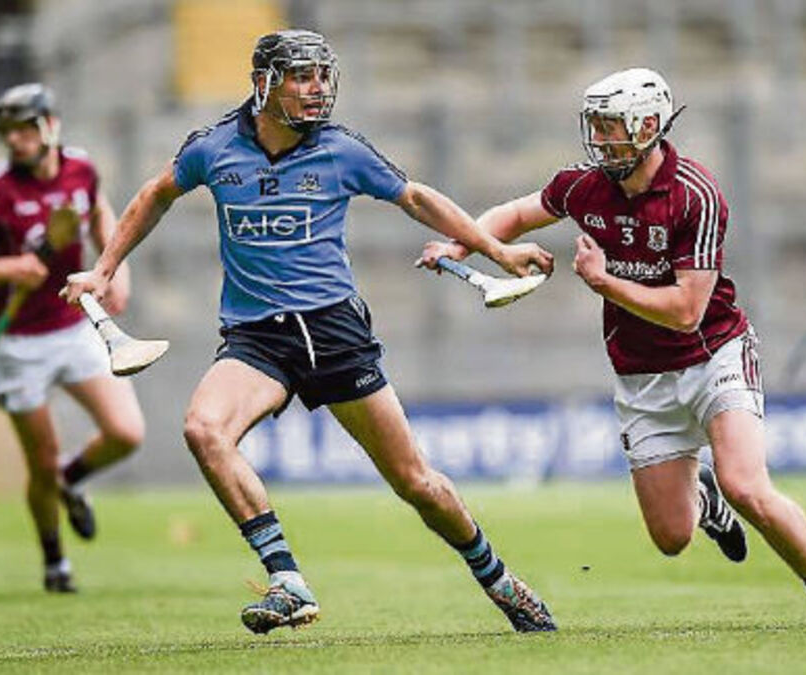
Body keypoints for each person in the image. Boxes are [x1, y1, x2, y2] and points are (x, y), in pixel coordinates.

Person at [61, 30, 557, 634]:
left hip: (333, 331)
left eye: (322, 76)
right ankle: (287, 581)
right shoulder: (213, 148)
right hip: (256, 338)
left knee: (417, 483)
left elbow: (416, 199)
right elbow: (154, 194)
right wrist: (104, 269)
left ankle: (502, 583)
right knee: (204, 430)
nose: (317, 88)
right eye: (301, 76)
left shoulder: (342, 150)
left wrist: (497, 252)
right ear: (263, 83)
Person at [421, 68, 806, 628]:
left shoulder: (695, 195)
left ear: (648, 126)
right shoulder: (584, 185)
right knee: (671, 537)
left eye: (610, 126)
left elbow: (686, 311)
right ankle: (703, 500)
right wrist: (461, 246)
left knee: (746, 485)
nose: (598, 138)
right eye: (595, 125)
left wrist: (604, 282)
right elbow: (515, 214)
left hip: (714, 355)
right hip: (641, 375)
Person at [0, 84, 145, 593]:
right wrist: (12, 268)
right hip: (17, 343)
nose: (16, 140)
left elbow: (99, 216)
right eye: (8, 131)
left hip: (73, 325)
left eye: (25, 129)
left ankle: (70, 481)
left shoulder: (81, 169)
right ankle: (55, 561)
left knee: (126, 433)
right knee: (40, 460)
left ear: (50, 126)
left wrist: (113, 272)